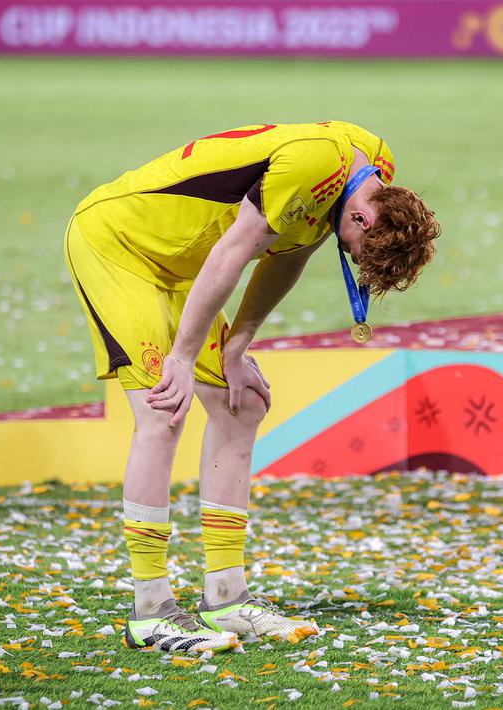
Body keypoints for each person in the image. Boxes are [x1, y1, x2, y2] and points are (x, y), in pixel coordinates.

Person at [64, 121, 440, 652]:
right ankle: (149, 609)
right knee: (164, 408)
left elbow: (291, 254)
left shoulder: (372, 173)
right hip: (121, 245)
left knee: (242, 404)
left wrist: (236, 349)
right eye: (358, 249)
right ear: (361, 215)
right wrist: (182, 358)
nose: (352, 255)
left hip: (181, 267)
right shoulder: (316, 167)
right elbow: (232, 255)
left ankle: (227, 598)